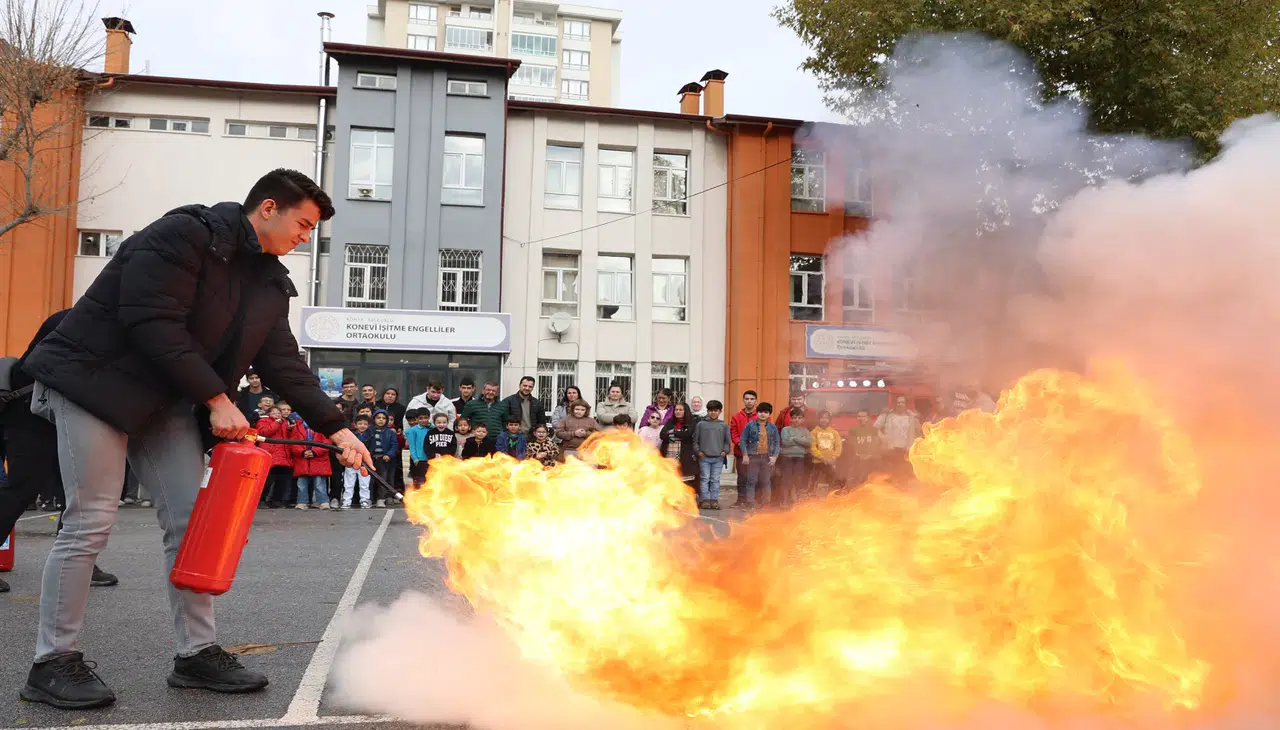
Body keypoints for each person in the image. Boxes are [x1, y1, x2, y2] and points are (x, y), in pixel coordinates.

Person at [18, 168, 373, 709]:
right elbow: (152, 321)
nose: (306, 238)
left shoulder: (268, 283)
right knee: (90, 520)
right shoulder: (184, 235)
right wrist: (216, 398)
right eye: (303, 224)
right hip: (94, 382)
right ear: (269, 207)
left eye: (312, 230)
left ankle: (196, 655)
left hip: (164, 401)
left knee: (191, 525)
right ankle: (52, 662)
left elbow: (284, 365)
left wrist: (339, 427)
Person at [0, 311, 119, 595]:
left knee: (80, 488)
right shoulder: (79, 319)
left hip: (65, 407)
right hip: (33, 407)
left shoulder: (104, 318)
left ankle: (77, 561)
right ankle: (78, 561)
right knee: (24, 486)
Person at [737, 403, 779, 509]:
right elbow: (742, 440)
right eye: (761, 412)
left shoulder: (772, 427)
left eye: (766, 412)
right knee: (751, 480)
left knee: (765, 481)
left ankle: (766, 503)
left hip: (767, 457)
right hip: (753, 457)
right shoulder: (750, 425)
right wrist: (745, 455)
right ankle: (750, 502)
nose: (763, 414)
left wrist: (774, 456)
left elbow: (777, 442)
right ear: (757, 412)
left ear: (769, 414)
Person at [693, 400, 730, 510]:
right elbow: (695, 440)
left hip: (718, 458)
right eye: (711, 410)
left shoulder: (723, 425)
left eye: (715, 410)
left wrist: (725, 451)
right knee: (705, 478)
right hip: (704, 458)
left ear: (720, 411)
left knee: (715, 479)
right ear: (707, 411)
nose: (713, 413)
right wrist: (698, 452)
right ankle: (705, 500)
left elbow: (727, 441)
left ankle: (714, 500)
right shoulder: (701, 424)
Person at [874, 396, 922, 482]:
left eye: (902, 402)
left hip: (906, 451)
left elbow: (919, 432)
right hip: (890, 450)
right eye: (898, 402)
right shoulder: (886, 416)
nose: (900, 404)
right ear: (895, 404)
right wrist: (883, 438)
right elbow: (875, 428)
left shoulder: (912, 417)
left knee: (905, 475)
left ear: (905, 404)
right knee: (891, 475)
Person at [255, 405, 294, 508]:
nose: (277, 415)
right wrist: (276, 423)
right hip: (271, 455)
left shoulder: (285, 423)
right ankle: (261, 500)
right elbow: (264, 432)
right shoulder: (263, 421)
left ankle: (276, 501)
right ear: (269, 414)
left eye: (278, 413)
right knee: (267, 481)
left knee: (282, 481)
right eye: (274, 413)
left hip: (283, 456)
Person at [289, 417, 332, 509]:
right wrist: (302, 452)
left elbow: (327, 443)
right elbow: (293, 443)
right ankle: (302, 501)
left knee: (319, 483)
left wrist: (314, 452)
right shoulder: (297, 426)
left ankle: (323, 501)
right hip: (302, 458)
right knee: (301, 483)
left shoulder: (323, 426)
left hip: (319, 459)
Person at [778, 409, 813, 507]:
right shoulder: (786, 429)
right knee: (786, 478)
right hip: (787, 457)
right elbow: (785, 442)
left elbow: (809, 442)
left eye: (799, 418)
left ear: (803, 419)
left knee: (798, 478)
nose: (796, 420)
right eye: (794, 418)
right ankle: (784, 500)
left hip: (800, 458)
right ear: (791, 419)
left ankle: (796, 500)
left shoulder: (805, 431)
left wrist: (794, 439)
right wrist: (801, 441)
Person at [659, 402, 699, 488]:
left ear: (686, 411)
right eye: (676, 410)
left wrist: (672, 432)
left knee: (685, 482)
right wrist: (679, 433)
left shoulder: (692, 422)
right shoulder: (670, 421)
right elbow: (662, 435)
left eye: (680, 410)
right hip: (670, 456)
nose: (677, 411)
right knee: (671, 480)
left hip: (685, 456)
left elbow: (688, 434)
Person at [365, 409, 399, 508]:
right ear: (373, 419)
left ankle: (381, 499)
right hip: (370, 458)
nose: (381, 420)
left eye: (384, 418)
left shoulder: (390, 433)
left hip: (383, 459)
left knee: (382, 480)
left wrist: (389, 454)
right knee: (369, 480)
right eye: (378, 418)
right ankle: (369, 499)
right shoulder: (369, 431)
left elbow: (394, 445)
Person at [343, 415, 375, 509]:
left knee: (364, 484)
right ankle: (346, 501)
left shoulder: (371, 435)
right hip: (351, 462)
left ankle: (364, 500)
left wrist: (367, 457)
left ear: (369, 425)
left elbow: (372, 449)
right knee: (348, 483)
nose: (362, 426)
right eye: (360, 423)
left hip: (365, 463)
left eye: (365, 424)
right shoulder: (351, 435)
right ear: (355, 425)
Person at [848, 409, 884, 487]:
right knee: (857, 483)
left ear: (868, 418)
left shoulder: (874, 430)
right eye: (859, 416)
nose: (861, 418)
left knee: (872, 482)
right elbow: (850, 445)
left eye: (863, 416)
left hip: (872, 460)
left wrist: (873, 454)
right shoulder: (853, 430)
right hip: (858, 460)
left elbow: (883, 442)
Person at [809, 411, 843, 493]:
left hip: (831, 462)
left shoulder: (834, 432)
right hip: (818, 462)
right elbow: (812, 447)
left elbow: (838, 446)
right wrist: (822, 458)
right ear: (818, 419)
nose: (824, 420)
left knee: (833, 477)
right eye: (822, 418)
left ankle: (832, 494)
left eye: (826, 418)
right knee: (814, 479)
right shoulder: (814, 432)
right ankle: (810, 494)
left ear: (829, 420)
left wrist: (834, 457)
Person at [729, 390, 759, 476]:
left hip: (756, 453)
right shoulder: (736, 417)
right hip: (740, 452)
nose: (749, 401)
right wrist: (741, 444)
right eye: (747, 399)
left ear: (756, 401)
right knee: (742, 478)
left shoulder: (761, 416)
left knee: (754, 478)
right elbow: (734, 434)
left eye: (752, 399)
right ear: (743, 400)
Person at [405, 409, 431, 487]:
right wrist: (415, 459)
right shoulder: (412, 430)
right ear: (417, 419)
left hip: (430, 458)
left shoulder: (431, 428)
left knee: (430, 480)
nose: (423, 420)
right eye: (421, 418)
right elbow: (412, 446)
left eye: (425, 418)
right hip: (419, 459)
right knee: (419, 481)